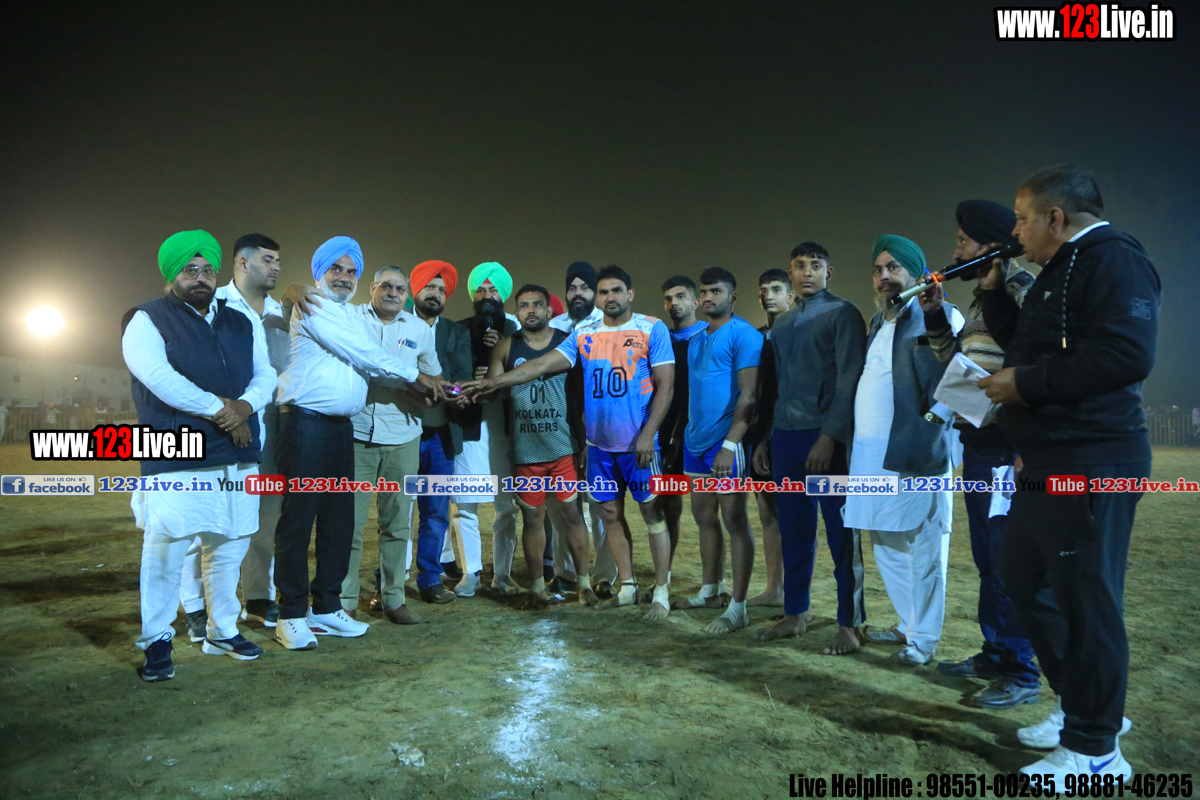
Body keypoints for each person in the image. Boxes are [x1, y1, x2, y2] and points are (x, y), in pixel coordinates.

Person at [980, 166, 1158, 779]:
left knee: (1086, 599)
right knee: (1027, 578)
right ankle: (1083, 705)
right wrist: (993, 295)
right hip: (1050, 457)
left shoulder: (1114, 259)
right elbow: (1035, 346)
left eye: (1022, 218)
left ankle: (1095, 748)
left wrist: (1025, 384)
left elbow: (1128, 354)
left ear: (1055, 218)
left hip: (1092, 457)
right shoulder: (1064, 267)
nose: (1015, 231)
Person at [467, 265, 676, 618]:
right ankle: (628, 587)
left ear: (630, 294)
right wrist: (492, 383)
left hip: (638, 444)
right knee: (609, 515)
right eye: (604, 291)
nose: (610, 297)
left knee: (651, 514)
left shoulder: (651, 328)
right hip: (599, 447)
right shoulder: (584, 333)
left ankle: (661, 592)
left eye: (616, 291)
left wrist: (648, 433)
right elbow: (540, 365)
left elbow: (666, 385)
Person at [273, 237, 443, 649]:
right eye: (336, 268)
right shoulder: (314, 306)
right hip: (306, 425)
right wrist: (416, 376)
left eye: (351, 271)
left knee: (338, 523)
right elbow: (364, 352)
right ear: (320, 272)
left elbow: (372, 344)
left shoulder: (350, 314)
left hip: (340, 429)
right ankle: (291, 613)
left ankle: (328, 607)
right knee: (299, 523)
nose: (344, 277)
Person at [121, 229, 276, 680]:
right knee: (166, 550)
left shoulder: (240, 320)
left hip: (238, 453)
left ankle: (222, 630)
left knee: (229, 546)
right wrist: (221, 410)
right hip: (177, 455)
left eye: (208, 269)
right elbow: (157, 377)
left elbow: (265, 374)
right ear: (172, 275)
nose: (201, 277)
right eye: (190, 269)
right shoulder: (146, 319)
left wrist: (244, 407)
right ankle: (156, 640)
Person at [924, 201, 1041, 708]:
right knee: (988, 560)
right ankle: (995, 653)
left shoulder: (1023, 289)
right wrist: (934, 313)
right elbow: (955, 364)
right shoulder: (978, 300)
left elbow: (1034, 362)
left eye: (963, 241)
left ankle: (1022, 671)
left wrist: (1027, 445)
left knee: (1009, 559)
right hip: (979, 443)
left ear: (990, 246)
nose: (955, 250)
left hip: (1008, 447)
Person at [844, 235, 962, 666]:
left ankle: (924, 639)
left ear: (917, 273)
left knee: (925, 544)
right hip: (871, 452)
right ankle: (908, 623)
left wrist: (932, 423)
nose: (884, 276)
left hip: (919, 449)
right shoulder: (880, 322)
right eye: (878, 269)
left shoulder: (942, 315)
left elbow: (959, 376)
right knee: (885, 540)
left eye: (894, 267)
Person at [752, 243, 868, 654]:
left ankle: (850, 623)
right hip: (786, 439)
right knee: (794, 531)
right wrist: (767, 437)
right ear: (790, 272)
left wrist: (829, 435)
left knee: (841, 534)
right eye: (799, 266)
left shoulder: (843, 314)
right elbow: (776, 387)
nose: (806, 272)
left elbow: (850, 379)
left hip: (825, 439)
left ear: (828, 272)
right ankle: (795, 612)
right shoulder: (783, 324)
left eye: (815, 266)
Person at [180, 233, 287, 641]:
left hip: (269, 429)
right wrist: (230, 412)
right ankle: (195, 606)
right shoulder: (212, 302)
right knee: (205, 522)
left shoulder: (283, 314)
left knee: (264, 517)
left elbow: (272, 373)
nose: (276, 267)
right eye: (268, 259)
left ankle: (258, 595)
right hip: (214, 427)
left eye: (278, 260)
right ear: (242, 263)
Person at [342, 265, 441, 624]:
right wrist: (408, 382)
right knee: (348, 524)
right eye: (386, 286)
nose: (393, 293)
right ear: (372, 288)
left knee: (398, 525)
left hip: (403, 437)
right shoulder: (351, 319)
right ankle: (344, 600)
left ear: (407, 295)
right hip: (355, 434)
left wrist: (435, 392)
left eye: (400, 288)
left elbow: (433, 379)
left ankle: (393, 599)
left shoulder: (419, 329)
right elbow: (361, 367)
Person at [487, 284, 596, 603]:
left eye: (537, 304)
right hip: (525, 451)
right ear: (517, 312)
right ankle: (536, 587)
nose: (530, 310)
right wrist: (478, 385)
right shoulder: (506, 347)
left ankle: (584, 584)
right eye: (524, 306)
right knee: (532, 519)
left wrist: (585, 441)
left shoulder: (567, 343)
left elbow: (584, 396)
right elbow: (492, 391)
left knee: (573, 516)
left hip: (563, 449)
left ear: (550, 311)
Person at [680, 268, 762, 633]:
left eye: (717, 291)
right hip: (695, 442)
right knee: (703, 517)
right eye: (704, 291)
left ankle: (738, 607)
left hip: (724, 443)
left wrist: (730, 444)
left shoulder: (744, 334)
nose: (709, 297)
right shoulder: (697, 338)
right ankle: (710, 590)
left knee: (734, 520)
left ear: (733, 296)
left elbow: (750, 395)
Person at [448, 262, 520, 598]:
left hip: (507, 430)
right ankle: (470, 572)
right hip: (470, 428)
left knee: (507, 506)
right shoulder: (457, 331)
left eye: (493, 290)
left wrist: (500, 356)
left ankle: (503, 574)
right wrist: (467, 381)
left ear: (503, 295)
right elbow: (446, 378)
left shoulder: (518, 331)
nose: (486, 296)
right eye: (480, 290)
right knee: (465, 503)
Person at [546, 262, 618, 594]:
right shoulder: (555, 327)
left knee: (602, 506)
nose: (578, 294)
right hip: (562, 428)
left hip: (601, 429)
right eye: (572, 288)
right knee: (563, 505)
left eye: (585, 288)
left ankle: (604, 576)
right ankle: (565, 572)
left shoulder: (609, 325)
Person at [407, 261, 475, 604]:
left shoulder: (455, 333)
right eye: (429, 287)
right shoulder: (397, 325)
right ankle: (388, 582)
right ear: (415, 290)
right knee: (397, 513)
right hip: (402, 433)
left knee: (435, 512)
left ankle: (430, 579)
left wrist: (457, 393)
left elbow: (462, 375)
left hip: (440, 435)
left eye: (441, 289)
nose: (435, 294)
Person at [659, 276, 711, 605]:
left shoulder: (708, 336)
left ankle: (713, 585)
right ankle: (663, 578)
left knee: (709, 514)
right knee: (669, 508)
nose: (673, 303)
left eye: (680, 296)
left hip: (703, 436)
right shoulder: (661, 339)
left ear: (695, 302)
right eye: (668, 298)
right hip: (667, 439)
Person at [744, 267, 794, 608]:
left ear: (791, 295)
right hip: (759, 435)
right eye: (763, 290)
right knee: (767, 514)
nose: (768, 295)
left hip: (790, 433)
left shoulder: (800, 334)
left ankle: (798, 595)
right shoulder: (757, 338)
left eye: (776, 289)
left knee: (795, 515)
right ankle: (775, 588)